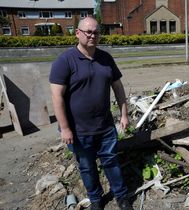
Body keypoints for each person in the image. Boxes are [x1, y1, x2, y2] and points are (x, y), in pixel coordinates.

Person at [49, 17, 133, 210]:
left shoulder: (105, 58)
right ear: (77, 33)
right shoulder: (65, 61)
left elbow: (118, 87)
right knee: (87, 167)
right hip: (78, 130)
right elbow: (56, 97)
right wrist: (65, 128)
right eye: (88, 32)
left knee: (111, 162)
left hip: (104, 127)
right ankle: (96, 199)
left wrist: (124, 114)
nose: (92, 35)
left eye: (96, 32)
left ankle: (121, 196)